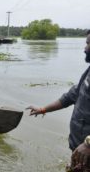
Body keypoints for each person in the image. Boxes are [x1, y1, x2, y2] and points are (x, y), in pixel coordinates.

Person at [27, 30, 90, 171]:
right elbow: (71, 96)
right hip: (80, 150)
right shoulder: (88, 72)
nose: (84, 48)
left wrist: (88, 144)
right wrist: (43, 109)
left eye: (88, 43)